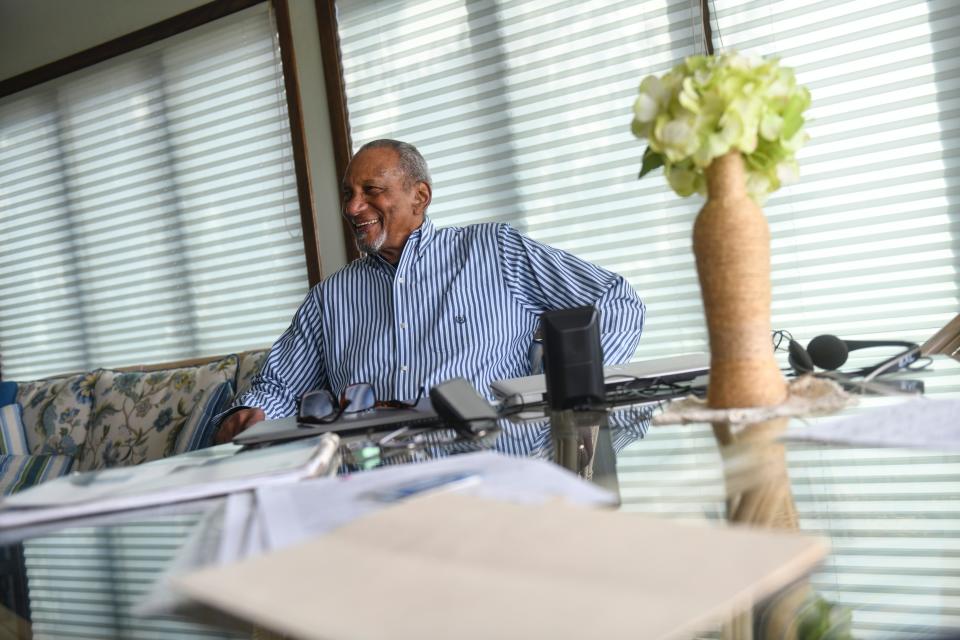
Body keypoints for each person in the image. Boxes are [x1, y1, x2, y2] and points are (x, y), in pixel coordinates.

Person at [215, 140, 645, 443]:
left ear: (419, 196)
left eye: (371, 192)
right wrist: (248, 414)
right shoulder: (329, 299)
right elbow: (279, 385)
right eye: (348, 195)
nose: (351, 208)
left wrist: (565, 394)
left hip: (495, 461)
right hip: (372, 479)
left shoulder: (493, 249)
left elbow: (617, 301)